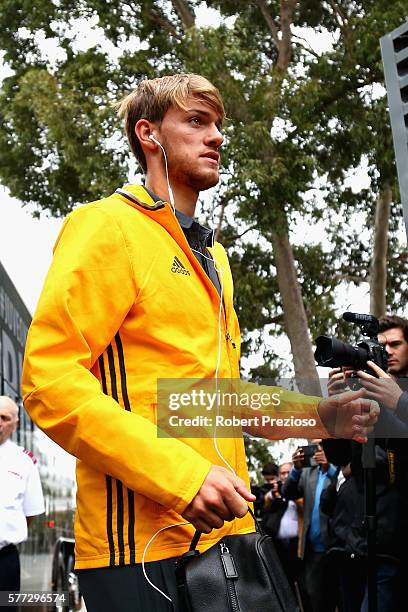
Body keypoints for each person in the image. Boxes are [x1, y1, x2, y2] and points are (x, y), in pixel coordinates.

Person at [21, 73, 378, 612]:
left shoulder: (217, 261)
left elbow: (209, 401)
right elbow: (49, 382)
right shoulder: (107, 226)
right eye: (196, 121)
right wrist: (183, 478)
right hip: (137, 550)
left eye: (218, 125)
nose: (216, 136)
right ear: (150, 134)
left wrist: (320, 416)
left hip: (227, 539)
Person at [324, 314, 408, 612]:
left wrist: (396, 400)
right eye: (381, 345)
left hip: (395, 545)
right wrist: (335, 403)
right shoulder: (361, 393)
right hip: (356, 543)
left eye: (396, 344)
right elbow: (339, 458)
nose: (388, 352)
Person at [282, 441, 339, 612]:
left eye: (321, 445)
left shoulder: (339, 467)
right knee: (316, 600)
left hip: (337, 547)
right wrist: (296, 469)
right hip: (313, 551)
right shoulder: (308, 472)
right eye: (314, 446)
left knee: (340, 599)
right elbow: (288, 493)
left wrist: (329, 467)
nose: (318, 450)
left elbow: (343, 488)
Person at [0, 396, 45, 593]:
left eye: (4, 418)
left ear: (15, 424)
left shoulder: (23, 461)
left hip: (4, 560)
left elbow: (31, 512)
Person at [262, 461, 301, 593]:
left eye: (288, 472)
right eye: (282, 473)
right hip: (278, 545)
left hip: (297, 544)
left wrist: (289, 493)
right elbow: (265, 503)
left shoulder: (300, 488)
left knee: (300, 582)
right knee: (283, 582)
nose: (285, 476)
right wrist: (275, 494)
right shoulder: (275, 491)